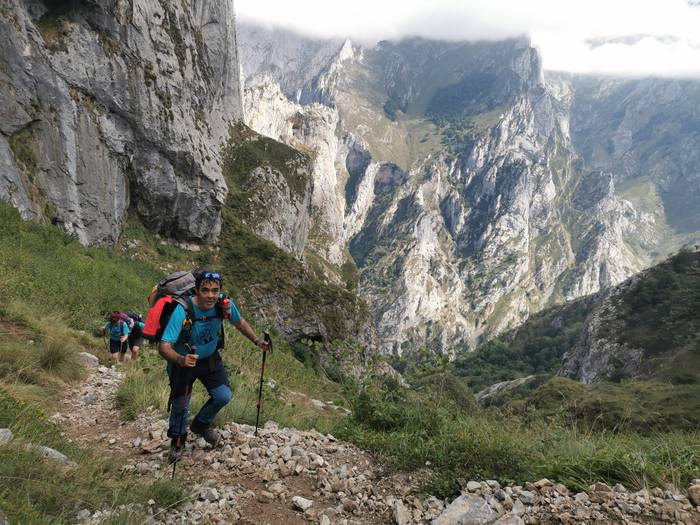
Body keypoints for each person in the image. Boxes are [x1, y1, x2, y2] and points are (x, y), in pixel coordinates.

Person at [158, 270, 269, 463]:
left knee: (223, 396)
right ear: (196, 290)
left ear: (220, 291)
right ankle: (177, 442)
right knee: (180, 405)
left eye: (215, 290)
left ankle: (200, 425)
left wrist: (257, 341)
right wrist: (180, 360)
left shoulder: (223, 305)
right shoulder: (182, 310)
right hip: (183, 363)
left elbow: (239, 322)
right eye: (205, 290)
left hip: (209, 358)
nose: (210, 295)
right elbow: (164, 346)